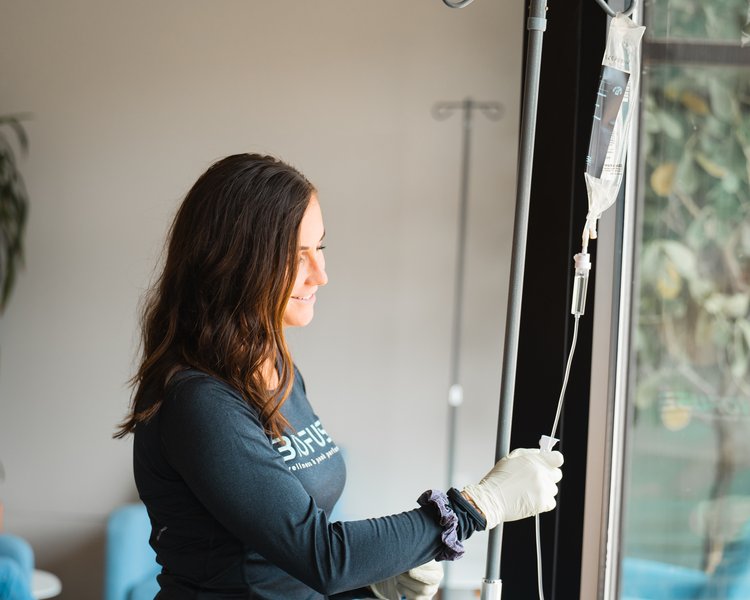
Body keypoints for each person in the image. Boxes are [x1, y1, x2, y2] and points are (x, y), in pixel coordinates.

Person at [115, 153, 563, 599]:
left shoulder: (280, 374)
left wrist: (371, 588)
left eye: (320, 248)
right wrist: (478, 506)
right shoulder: (198, 401)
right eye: (297, 254)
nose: (321, 275)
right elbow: (320, 556)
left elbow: (284, 566)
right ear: (233, 261)